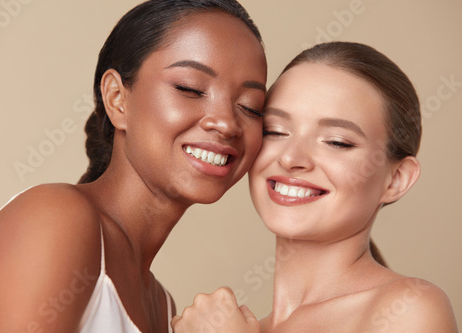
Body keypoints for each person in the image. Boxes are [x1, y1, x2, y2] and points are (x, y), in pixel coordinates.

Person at [0, 0, 268, 332]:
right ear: (117, 99)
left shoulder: (163, 306)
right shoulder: (55, 217)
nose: (226, 123)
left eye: (250, 107)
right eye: (190, 89)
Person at [171, 42, 459, 332]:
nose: (291, 158)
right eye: (275, 131)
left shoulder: (409, 309)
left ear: (396, 179)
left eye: (337, 142)